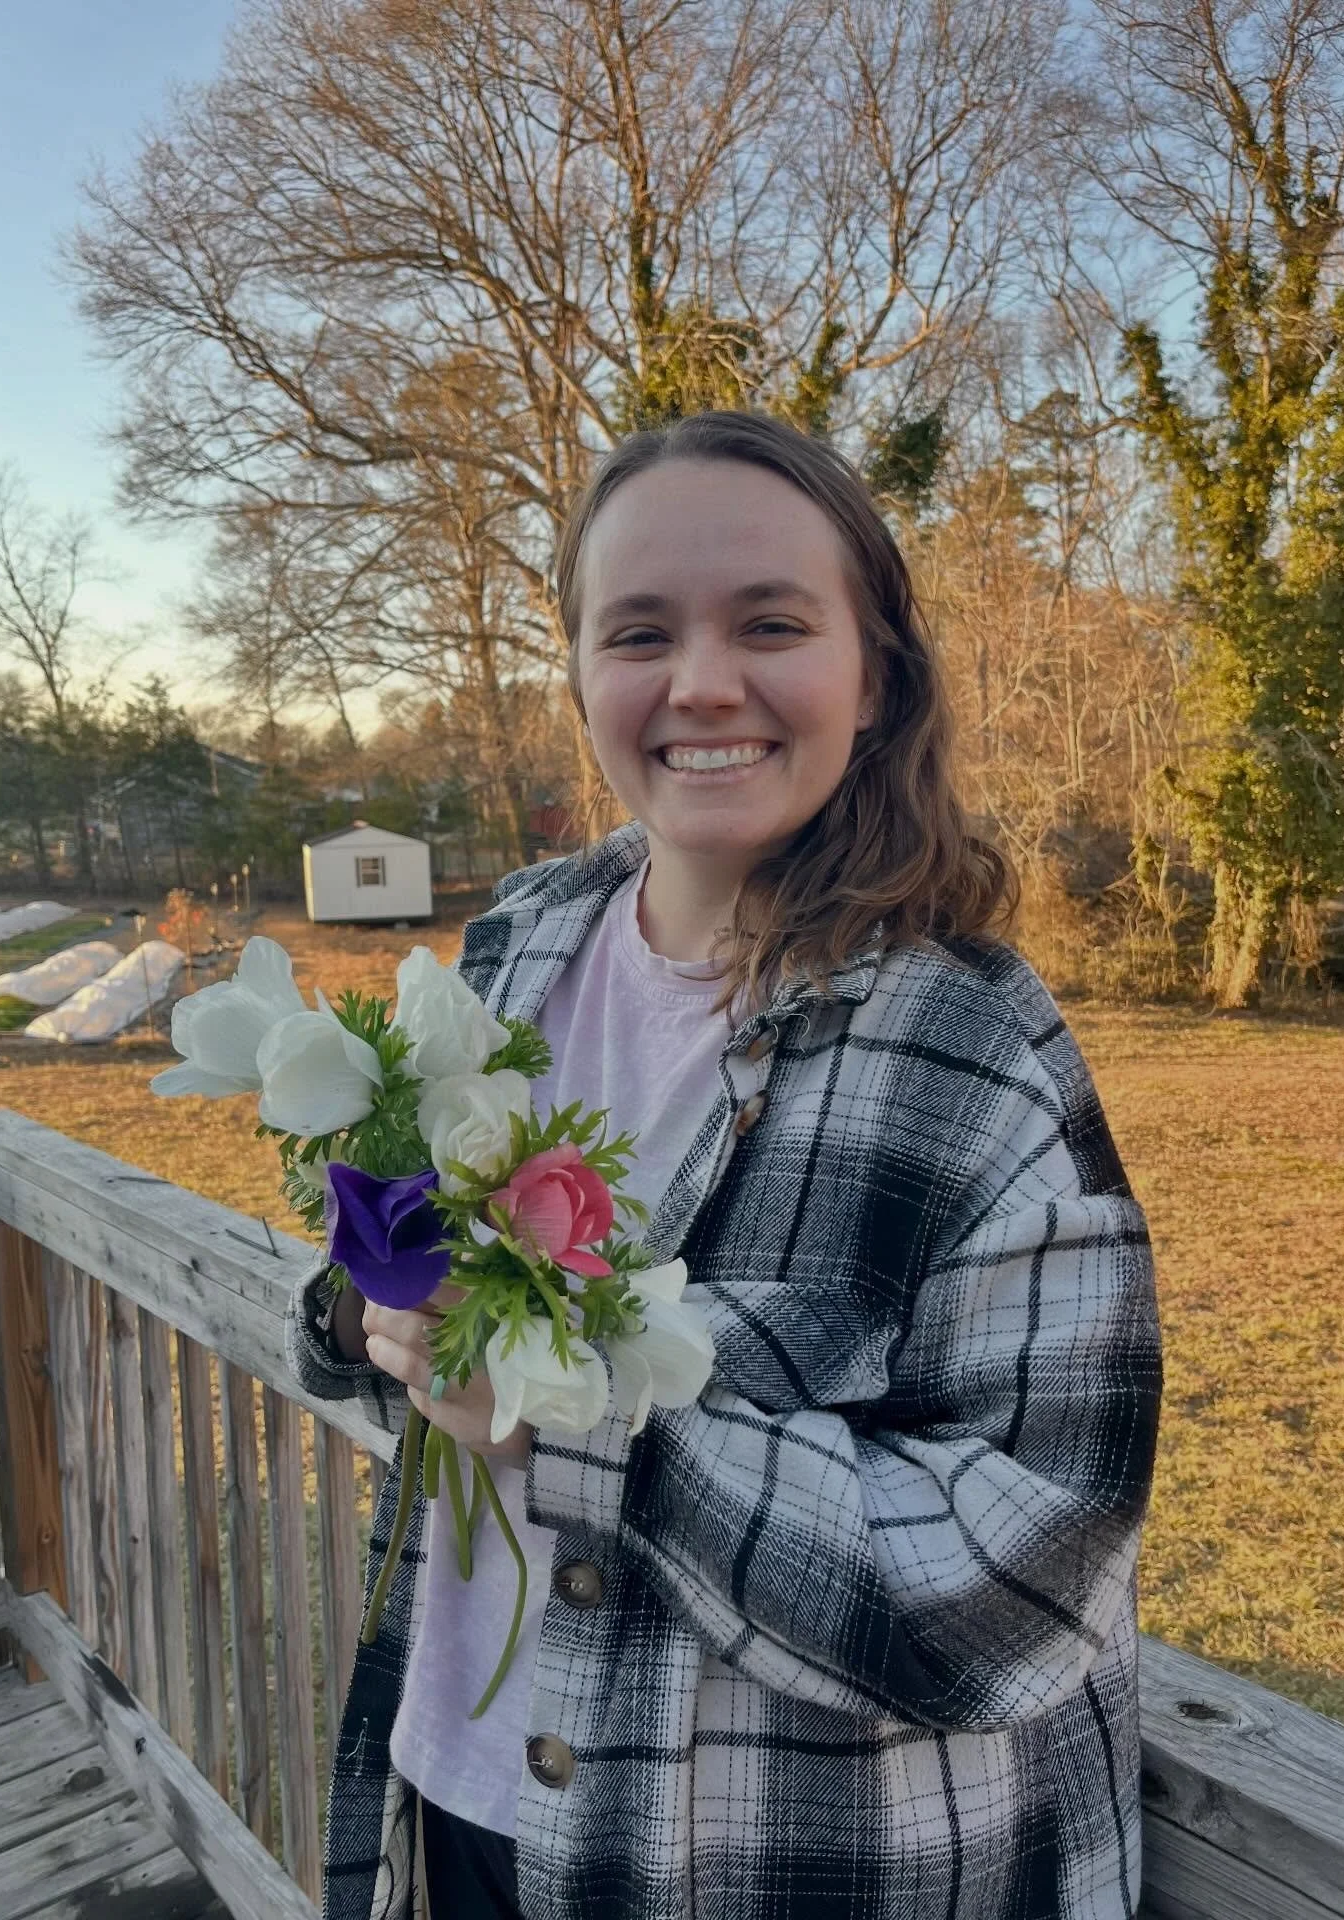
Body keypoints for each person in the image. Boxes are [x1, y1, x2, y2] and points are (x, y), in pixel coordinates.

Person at [285, 408, 1161, 1920]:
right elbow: (417, 1320)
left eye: (770, 622)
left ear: (874, 671)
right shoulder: (518, 947)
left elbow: (1026, 1579)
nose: (701, 684)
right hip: (471, 1795)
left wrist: (580, 1430)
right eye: (638, 632)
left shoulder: (968, 1048)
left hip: (769, 1865)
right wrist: (369, 1299)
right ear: (577, 675)